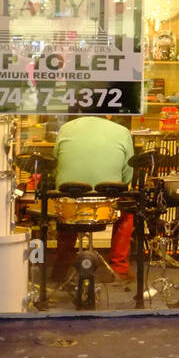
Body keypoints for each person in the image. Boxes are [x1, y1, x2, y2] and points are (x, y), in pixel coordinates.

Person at [51, 114, 135, 284]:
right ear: (109, 112)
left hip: (72, 203)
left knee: (67, 204)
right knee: (128, 211)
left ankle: (61, 267)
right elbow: (128, 174)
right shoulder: (122, 131)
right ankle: (120, 268)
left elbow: (56, 164)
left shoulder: (66, 128)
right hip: (105, 202)